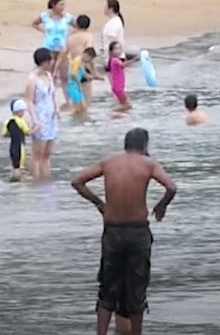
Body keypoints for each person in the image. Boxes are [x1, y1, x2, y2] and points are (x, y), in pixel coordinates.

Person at [71, 128, 177, 335]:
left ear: (125, 145)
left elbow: (77, 182)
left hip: (112, 231)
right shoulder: (149, 164)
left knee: (107, 287)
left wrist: (100, 204)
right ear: (145, 146)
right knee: (137, 289)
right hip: (137, 232)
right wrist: (162, 206)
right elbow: (171, 187)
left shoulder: (109, 162)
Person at [32, 0, 75, 103]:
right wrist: (43, 31)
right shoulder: (45, 16)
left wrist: (69, 35)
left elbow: (78, 26)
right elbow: (34, 23)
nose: (63, 7)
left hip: (62, 48)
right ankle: (50, 99)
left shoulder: (67, 17)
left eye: (63, 5)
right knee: (50, 76)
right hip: (49, 48)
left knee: (64, 76)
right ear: (53, 5)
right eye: (60, 5)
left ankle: (68, 101)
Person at [25, 48, 58, 181]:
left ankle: (46, 181)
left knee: (47, 153)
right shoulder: (32, 79)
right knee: (37, 154)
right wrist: (34, 120)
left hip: (51, 117)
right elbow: (29, 100)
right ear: (44, 62)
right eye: (50, 60)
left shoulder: (48, 76)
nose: (52, 62)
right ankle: (36, 181)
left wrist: (57, 108)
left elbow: (53, 94)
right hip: (40, 117)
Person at [67, 15, 97, 103]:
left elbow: (64, 53)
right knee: (86, 99)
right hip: (84, 67)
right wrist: (94, 71)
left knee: (76, 97)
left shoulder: (70, 38)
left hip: (73, 67)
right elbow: (89, 52)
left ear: (77, 24)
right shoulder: (88, 37)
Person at [2, 98, 30, 182]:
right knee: (20, 167)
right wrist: (37, 128)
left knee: (14, 165)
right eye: (23, 111)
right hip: (20, 147)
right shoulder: (21, 121)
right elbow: (28, 132)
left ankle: (13, 179)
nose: (23, 113)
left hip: (12, 146)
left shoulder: (7, 121)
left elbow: (4, 134)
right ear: (19, 111)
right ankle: (19, 182)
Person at [68, 47, 99, 115]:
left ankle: (80, 123)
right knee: (77, 109)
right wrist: (79, 86)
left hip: (76, 86)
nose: (89, 61)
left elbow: (85, 75)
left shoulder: (81, 62)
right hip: (73, 86)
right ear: (86, 55)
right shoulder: (77, 61)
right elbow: (73, 74)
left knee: (83, 108)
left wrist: (95, 77)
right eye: (90, 59)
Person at [107, 41, 132, 111]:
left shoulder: (113, 60)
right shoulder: (115, 60)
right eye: (116, 49)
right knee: (128, 105)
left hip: (118, 87)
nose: (119, 50)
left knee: (123, 105)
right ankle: (112, 111)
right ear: (111, 51)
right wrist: (136, 59)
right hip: (119, 88)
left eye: (120, 48)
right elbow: (124, 65)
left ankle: (118, 117)